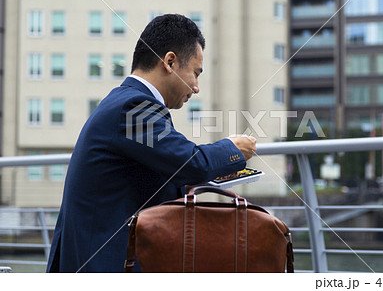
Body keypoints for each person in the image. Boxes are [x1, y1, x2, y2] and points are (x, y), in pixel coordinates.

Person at [46, 14, 257, 272]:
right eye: (195, 73)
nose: (196, 87)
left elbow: (167, 167)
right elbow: (192, 163)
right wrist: (234, 150)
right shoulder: (133, 107)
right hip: (102, 266)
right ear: (169, 62)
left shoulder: (125, 101)